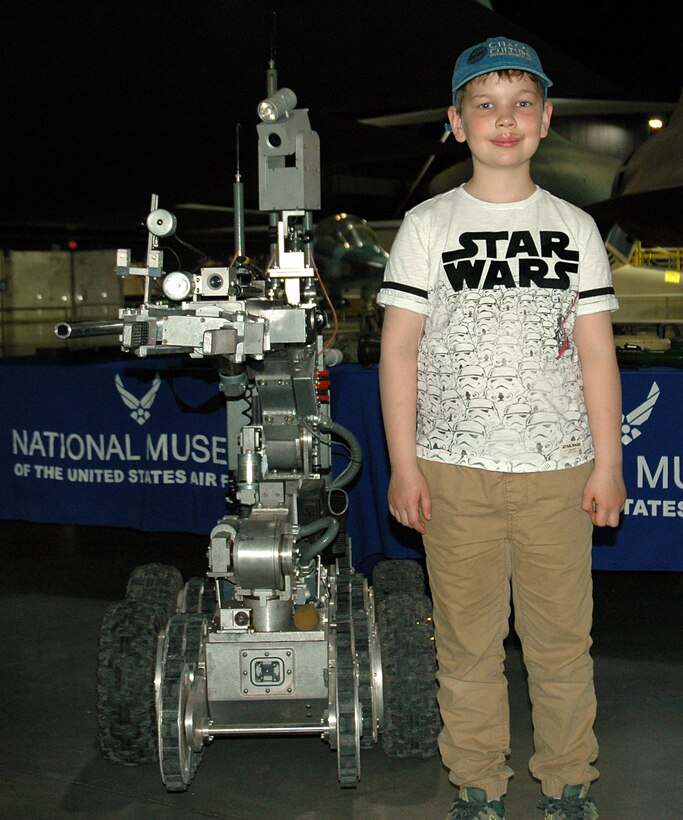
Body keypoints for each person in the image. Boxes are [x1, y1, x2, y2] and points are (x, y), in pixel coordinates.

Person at [376, 36, 626, 820]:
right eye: (484, 105)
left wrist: (607, 464)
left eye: (521, 103)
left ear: (546, 119)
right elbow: (398, 352)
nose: (503, 119)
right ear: (456, 123)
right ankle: (478, 786)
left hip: (557, 470)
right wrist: (404, 466)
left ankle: (567, 782)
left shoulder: (575, 229)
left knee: (559, 646)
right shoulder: (426, 224)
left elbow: (595, 357)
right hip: (451, 472)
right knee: (467, 648)